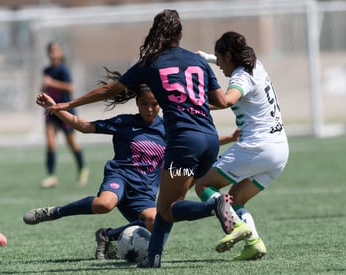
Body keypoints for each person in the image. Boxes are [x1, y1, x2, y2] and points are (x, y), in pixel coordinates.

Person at [46, 10, 250, 268]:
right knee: (167, 202)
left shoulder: (151, 63)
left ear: (156, 33)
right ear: (181, 35)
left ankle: (215, 206)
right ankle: (153, 258)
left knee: (167, 208)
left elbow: (110, 90)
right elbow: (221, 101)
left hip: (185, 144)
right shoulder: (197, 62)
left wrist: (68, 104)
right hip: (208, 140)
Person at [23, 71, 166, 260]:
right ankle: (54, 212)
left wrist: (216, 145)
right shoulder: (125, 122)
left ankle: (107, 236)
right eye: (144, 104)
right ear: (137, 103)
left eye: (154, 104)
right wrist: (56, 109)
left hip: (144, 191)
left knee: (155, 221)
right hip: (120, 178)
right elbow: (85, 126)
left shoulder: (169, 129)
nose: (149, 109)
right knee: (104, 204)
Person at [196, 31, 289, 261]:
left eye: (219, 59)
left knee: (203, 185)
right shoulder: (255, 64)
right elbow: (228, 90)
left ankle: (236, 226)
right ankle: (254, 244)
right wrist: (206, 57)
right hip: (280, 150)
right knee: (236, 199)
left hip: (257, 147)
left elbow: (227, 100)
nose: (219, 65)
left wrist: (193, 103)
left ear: (229, 55)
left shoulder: (240, 77)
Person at [40, 41, 89, 188]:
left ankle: (82, 169)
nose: (52, 52)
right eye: (50, 50)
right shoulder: (46, 70)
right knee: (50, 142)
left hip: (64, 111)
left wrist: (52, 82)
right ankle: (51, 175)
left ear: (60, 52)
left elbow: (70, 87)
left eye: (55, 50)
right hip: (51, 111)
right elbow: (46, 87)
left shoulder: (63, 70)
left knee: (71, 143)